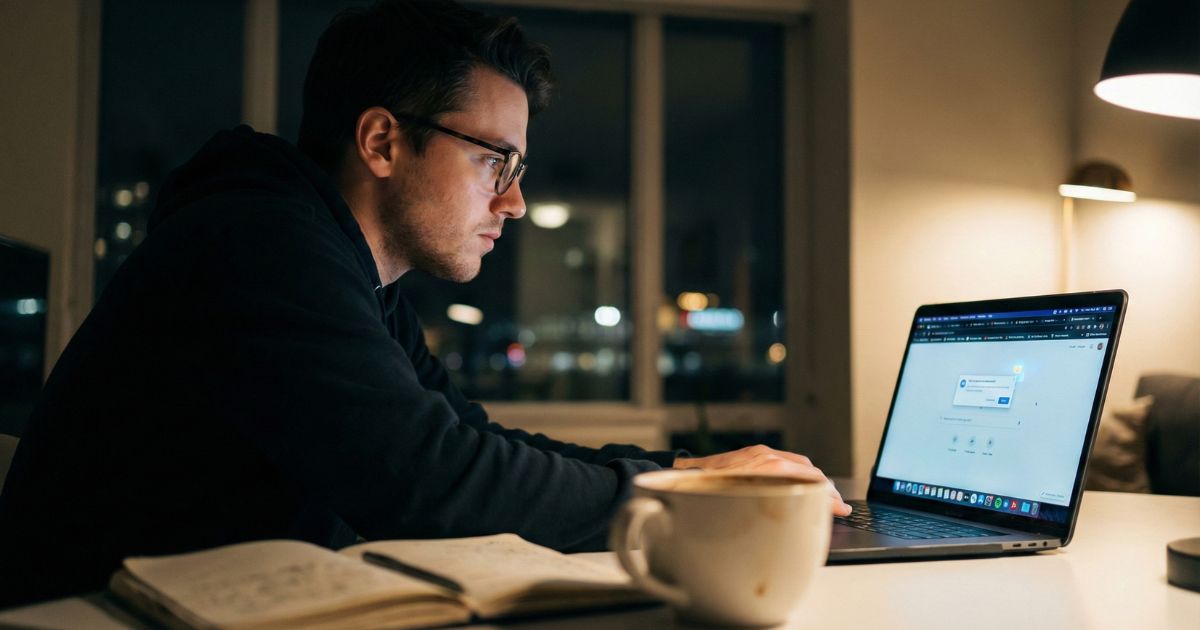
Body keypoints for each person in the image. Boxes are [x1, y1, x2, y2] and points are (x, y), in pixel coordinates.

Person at [0, 0, 848, 607]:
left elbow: (463, 443)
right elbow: (431, 483)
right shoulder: (256, 244)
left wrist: (684, 474)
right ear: (382, 141)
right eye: (494, 162)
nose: (514, 202)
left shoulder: (352, 271)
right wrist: (675, 493)